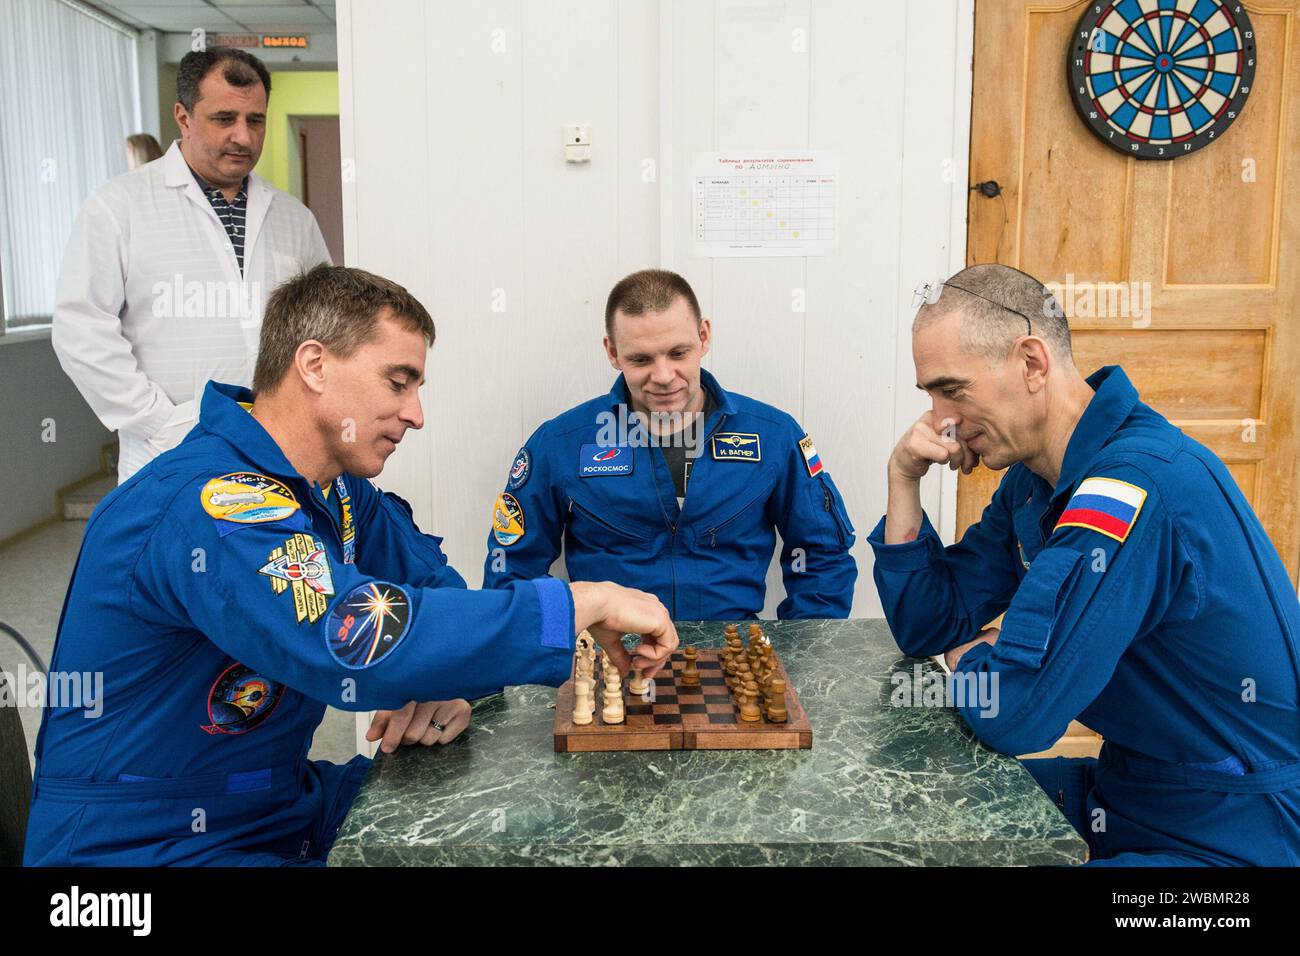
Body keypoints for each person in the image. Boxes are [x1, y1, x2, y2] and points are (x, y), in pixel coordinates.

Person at [24, 265, 677, 866]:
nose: (416, 414)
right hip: (142, 842)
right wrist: (578, 603)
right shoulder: (214, 504)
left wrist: (439, 678)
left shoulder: (333, 487)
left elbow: (432, 593)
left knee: (521, 830)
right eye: (398, 382)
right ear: (313, 364)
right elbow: (351, 636)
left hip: (277, 802)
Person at [870, 263, 1300, 866]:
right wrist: (903, 481)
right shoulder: (1032, 481)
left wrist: (972, 655)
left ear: (1031, 363)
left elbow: (1017, 713)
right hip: (1130, 794)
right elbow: (929, 626)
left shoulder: (1131, 488)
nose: (942, 419)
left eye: (954, 390)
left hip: (1233, 833)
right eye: (932, 396)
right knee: (898, 827)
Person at [481, 268, 857, 621]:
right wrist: (553, 652)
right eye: (641, 359)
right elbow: (512, 566)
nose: (663, 376)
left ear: (704, 336)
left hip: (733, 661)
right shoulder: (560, 444)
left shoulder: (774, 436)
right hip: (609, 660)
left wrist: (799, 654)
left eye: (678, 353)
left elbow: (822, 554)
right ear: (612, 353)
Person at [53, 46, 331, 483]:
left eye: (255, 120)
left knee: (272, 552)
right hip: (167, 455)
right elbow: (80, 329)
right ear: (183, 117)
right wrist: (160, 422)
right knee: (177, 550)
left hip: (279, 453)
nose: (243, 136)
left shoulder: (293, 217)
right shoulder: (119, 206)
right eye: (225, 119)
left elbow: (323, 327)